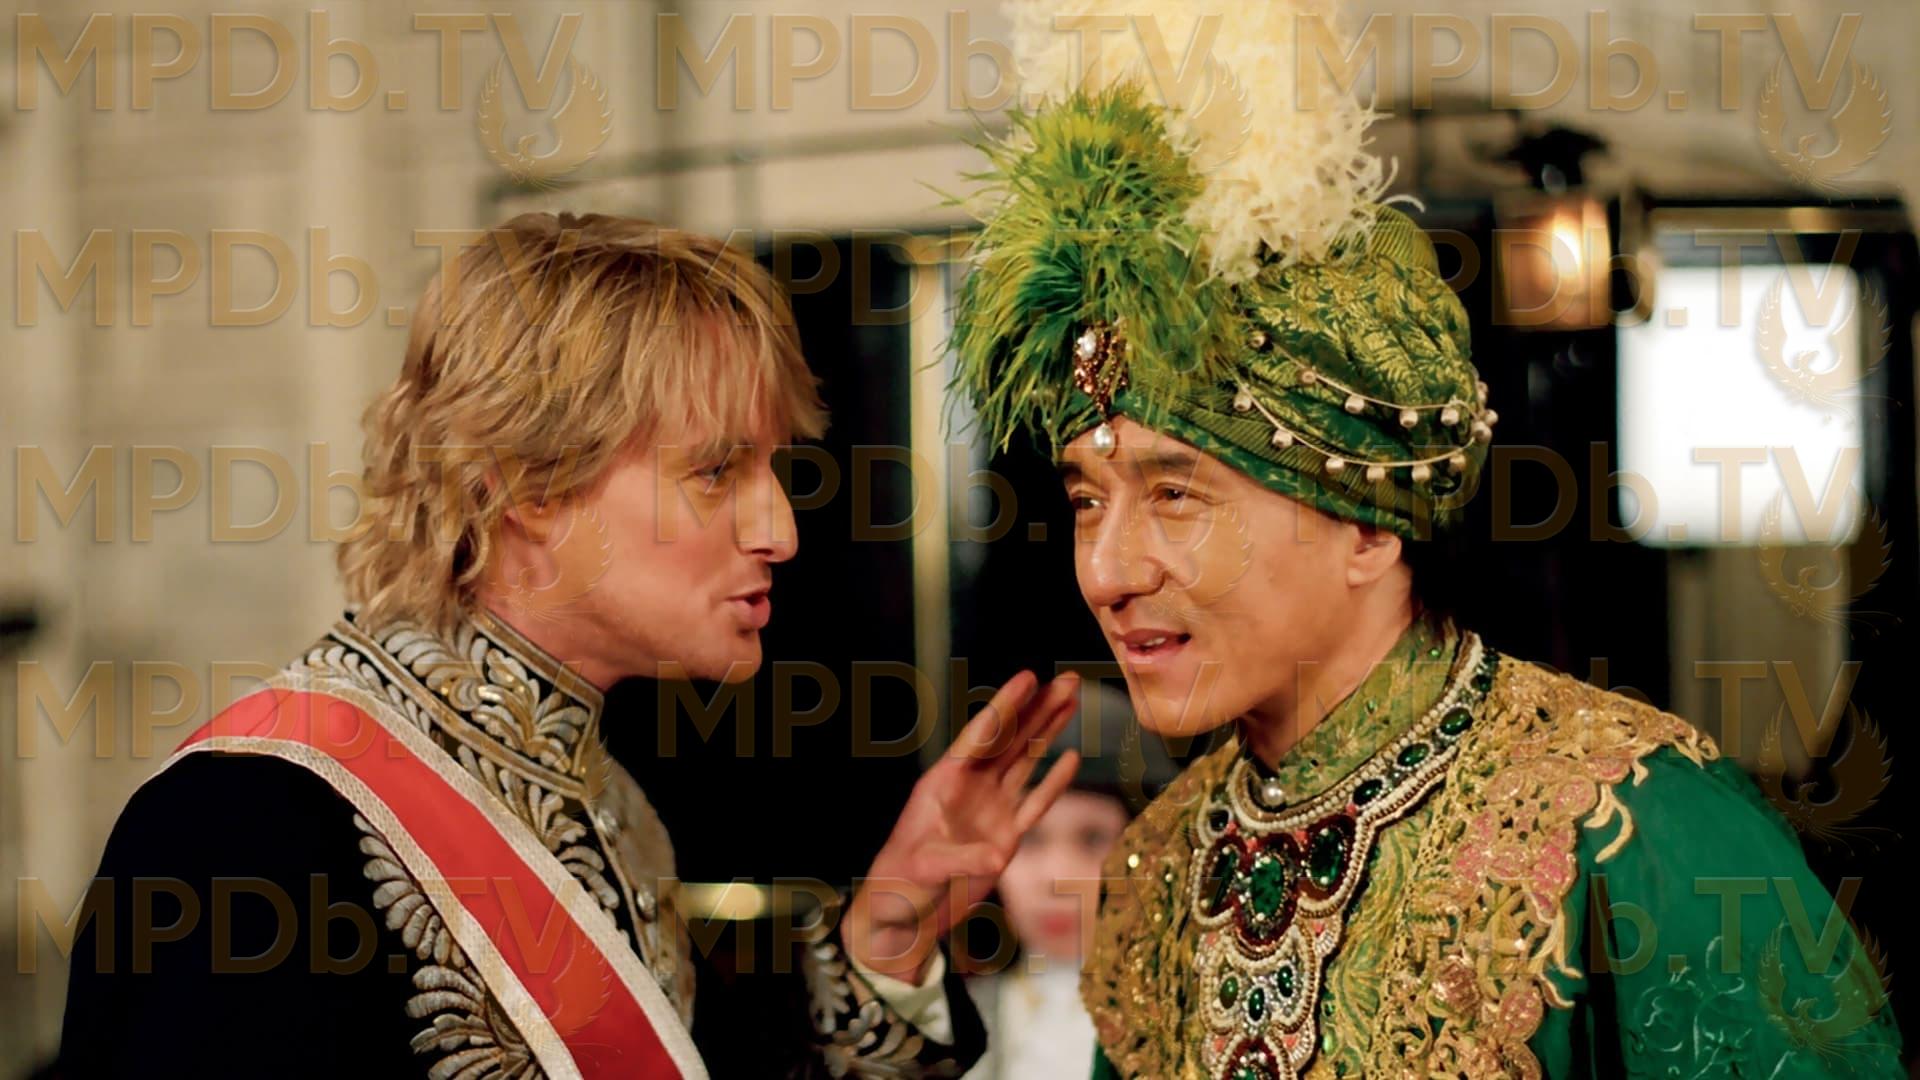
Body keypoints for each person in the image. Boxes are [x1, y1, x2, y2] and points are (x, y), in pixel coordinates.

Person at [948, 1, 1903, 1076]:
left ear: (1368, 525)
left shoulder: (1629, 829)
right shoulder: (1154, 883)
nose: (1108, 571)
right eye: (1086, 501)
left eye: (1176, 495)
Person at [59, 213, 1083, 1078]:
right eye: (716, 472)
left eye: (775, 469)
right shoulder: (234, 830)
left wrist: (891, 931)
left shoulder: (618, 804)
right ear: (525, 482)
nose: (781, 529)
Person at [962, 685, 1175, 1080]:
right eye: (1028, 840)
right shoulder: (942, 1024)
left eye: (1093, 839)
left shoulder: (1191, 1027)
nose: (1057, 878)